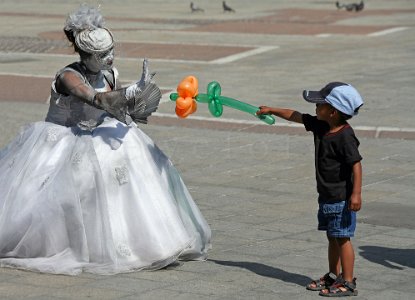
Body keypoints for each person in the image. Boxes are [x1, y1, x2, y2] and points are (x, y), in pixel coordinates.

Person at [0, 5, 211, 275]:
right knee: (73, 184)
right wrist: (132, 90)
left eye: (111, 51)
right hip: (61, 140)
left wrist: (136, 100)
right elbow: (97, 99)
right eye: (102, 55)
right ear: (86, 55)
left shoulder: (110, 73)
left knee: (133, 153)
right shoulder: (68, 77)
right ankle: (79, 242)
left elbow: (114, 105)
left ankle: (146, 240)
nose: (110, 59)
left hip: (98, 133)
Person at [257, 82, 363, 297]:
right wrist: (272, 110)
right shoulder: (321, 125)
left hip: (342, 198)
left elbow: (356, 164)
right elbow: (295, 115)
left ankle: (348, 281)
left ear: (332, 111)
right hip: (326, 196)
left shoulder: (345, 136)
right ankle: (334, 275)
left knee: (343, 238)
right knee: (332, 237)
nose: (315, 107)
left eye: (320, 104)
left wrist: (356, 194)